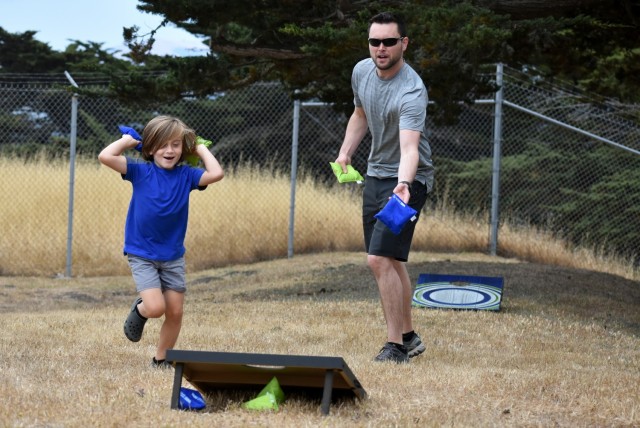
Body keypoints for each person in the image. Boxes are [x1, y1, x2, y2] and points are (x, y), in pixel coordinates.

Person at [334, 12, 434, 363]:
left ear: (403, 44)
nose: (381, 48)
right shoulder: (362, 71)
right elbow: (360, 115)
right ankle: (409, 336)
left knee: (377, 259)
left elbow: (410, 149)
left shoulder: (412, 91)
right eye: (375, 41)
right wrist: (346, 152)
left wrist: (404, 185)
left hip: (409, 182)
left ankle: (395, 346)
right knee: (390, 260)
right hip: (376, 176)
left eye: (389, 41)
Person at [98, 115, 224, 368]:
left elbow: (216, 173)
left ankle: (161, 359)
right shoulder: (139, 171)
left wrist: (199, 147)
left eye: (176, 145)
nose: (169, 150)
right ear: (150, 148)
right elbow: (105, 156)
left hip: (173, 255)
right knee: (156, 308)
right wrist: (126, 141)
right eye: (163, 145)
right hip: (141, 252)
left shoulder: (187, 176)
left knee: (175, 311)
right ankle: (141, 309)